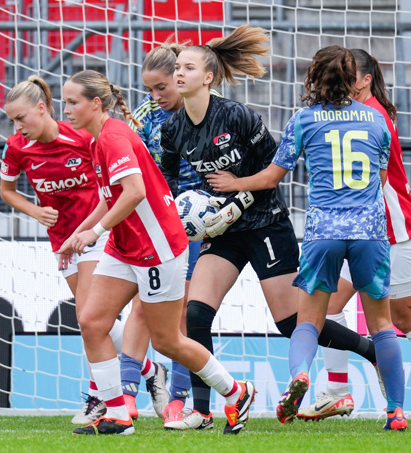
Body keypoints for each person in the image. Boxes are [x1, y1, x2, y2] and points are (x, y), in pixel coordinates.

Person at [160, 26, 380, 431]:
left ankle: (372, 351)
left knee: (290, 324)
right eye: (177, 67)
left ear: (208, 77)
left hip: (266, 225)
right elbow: (168, 182)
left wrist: (236, 203)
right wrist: (187, 213)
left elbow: (272, 172)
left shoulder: (237, 115)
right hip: (222, 232)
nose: (179, 73)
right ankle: (203, 411)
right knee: (195, 315)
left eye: (188, 67)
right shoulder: (173, 129)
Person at [207, 45, 408, 431]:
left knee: (308, 321)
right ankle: (396, 412)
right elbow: (381, 178)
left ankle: (300, 376)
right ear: (353, 79)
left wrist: (234, 183)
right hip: (369, 233)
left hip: (323, 233)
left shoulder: (304, 120)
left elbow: (271, 177)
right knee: (382, 325)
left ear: (314, 77)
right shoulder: (377, 119)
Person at [58, 69, 256, 436]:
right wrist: (80, 232)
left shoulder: (115, 138)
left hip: (158, 249)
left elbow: (134, 192)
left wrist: (95, 232)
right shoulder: (99, 141)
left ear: (96, 103)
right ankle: (118, 415)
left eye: (72, 102)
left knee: (168, 341)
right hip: (124, 246)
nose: (66, 109)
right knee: (92, 322)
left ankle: (236, 391)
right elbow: (112, 197)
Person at [297, 48, 411, 424]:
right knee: (331, 306)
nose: (341, 81)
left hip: (391, 230)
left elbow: (376, 182)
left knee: (406, 318)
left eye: (349, 74)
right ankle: (336, 392)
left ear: (365, 80)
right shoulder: (361, 113)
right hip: (361, 230)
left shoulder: (372, 115)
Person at [0, 75, 125, 425]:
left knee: (88, 318)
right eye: (12, 120)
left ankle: (101, 399)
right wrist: (35, 211)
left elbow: (109, 187)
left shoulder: (82, 137)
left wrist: (92, 229)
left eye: (21, 118)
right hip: (63, 242)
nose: (17, 127)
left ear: (42, 108)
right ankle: (145, 368)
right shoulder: (16, 147)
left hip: (96, 235)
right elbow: (7, 191)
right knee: (93, 321)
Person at [119, 38, 205, 425]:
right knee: (141, 305)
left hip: (197, 225)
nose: (156, 96)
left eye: (162, 88)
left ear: (182, 78)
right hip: (153, 222)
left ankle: (180, 397)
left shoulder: (207, 111)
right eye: (150, 89)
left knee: (182, 309)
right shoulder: (145, 115)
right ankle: (125, 394)